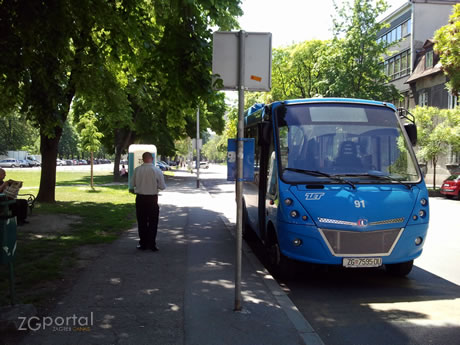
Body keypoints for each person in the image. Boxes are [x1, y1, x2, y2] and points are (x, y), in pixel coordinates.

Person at [132, 152, 166, 251]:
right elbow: (162, 186)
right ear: (151, 158)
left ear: (143, 159)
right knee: (153, 222)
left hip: (140, 198)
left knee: (142, 222)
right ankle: (152, 244)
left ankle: (143, 243)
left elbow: (132, 184)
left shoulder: (137, 170)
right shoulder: (157, 170)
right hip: (152, 198)